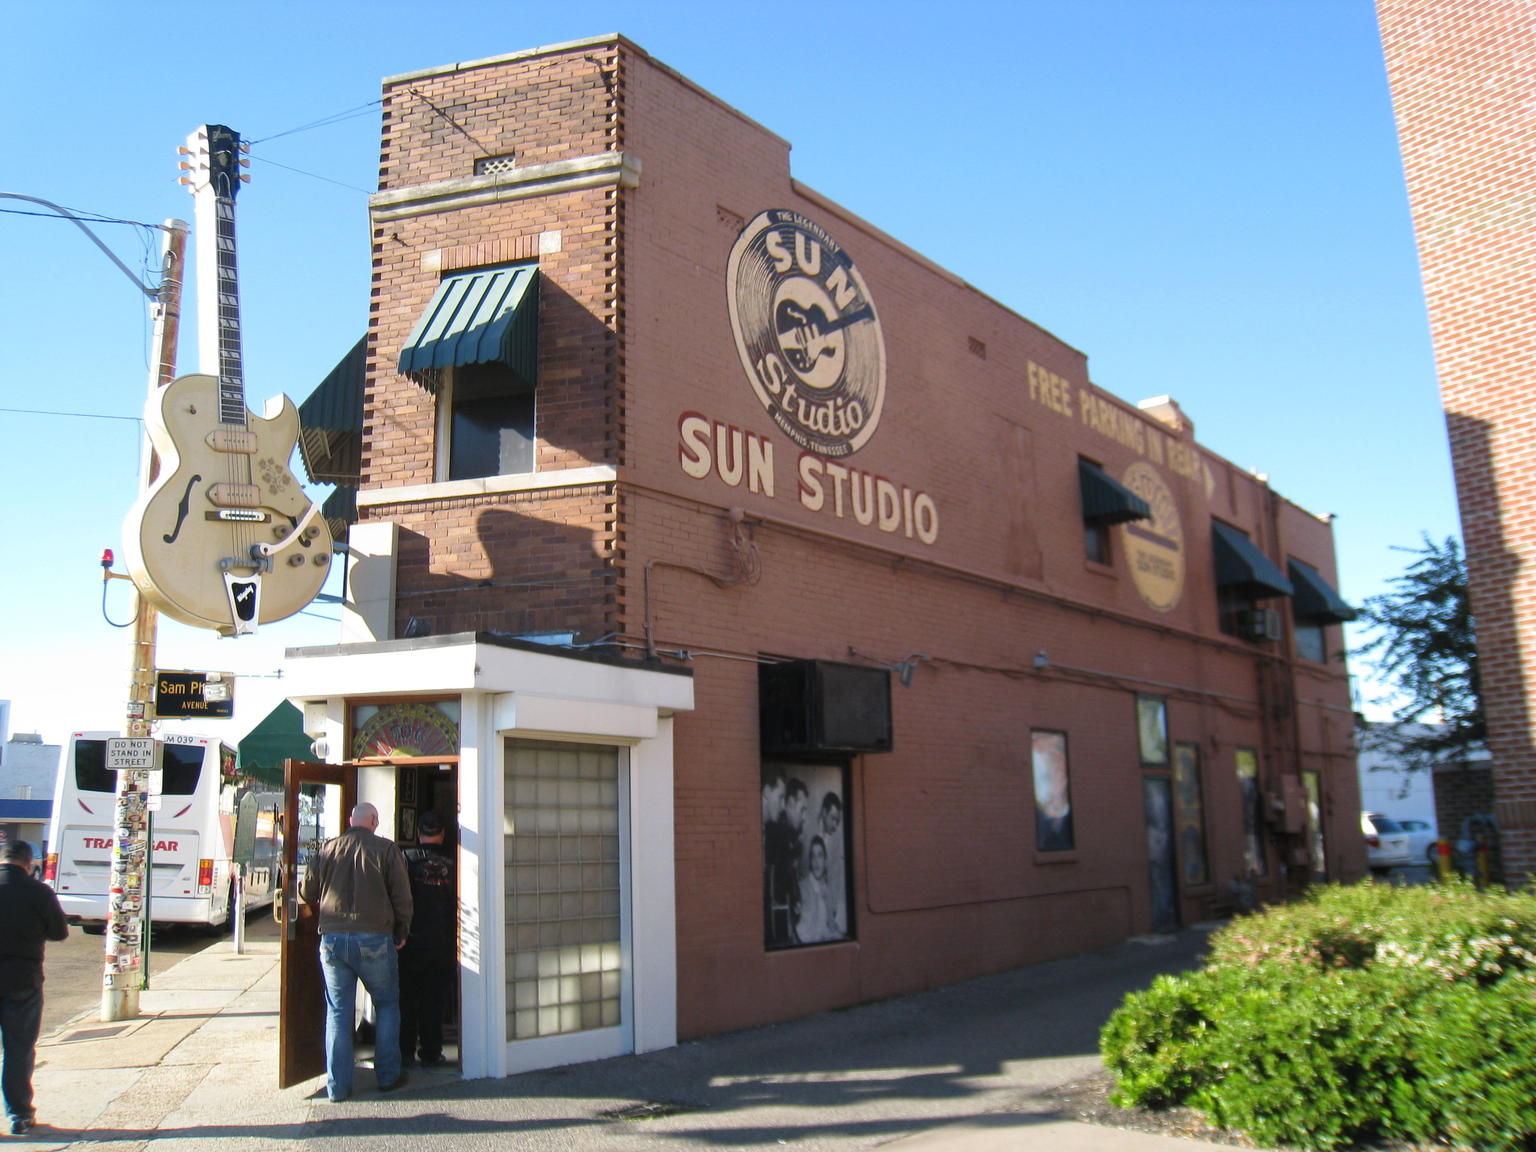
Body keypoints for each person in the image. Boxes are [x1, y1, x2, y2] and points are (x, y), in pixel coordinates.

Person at [299, 802, 413, 1102]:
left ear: (351, 820)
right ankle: (387, 1076)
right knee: (387, 1004)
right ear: (374, 821)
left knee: (338, 1011)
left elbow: (306, 891)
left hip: (333, 938)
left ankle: (337, 1087)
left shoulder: (327, 849)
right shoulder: (386, 850)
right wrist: (401, 930)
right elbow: (402, 896)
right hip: (375, 937)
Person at [0, 841, 67, 1135]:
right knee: (18, 1049)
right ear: (28, 864)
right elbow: (59, 932)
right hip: (22, 979)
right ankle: (20, 1115)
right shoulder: (39, 892)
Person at [399, 811, 455, 1069]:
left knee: (406, 1000)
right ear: (442, 834)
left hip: (409, 941)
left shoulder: (405, 859)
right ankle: (431, 1052)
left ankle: (405, 1051)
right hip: (442, 941)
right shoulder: (454, 862)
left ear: (419, 833)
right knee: (434, 1001)